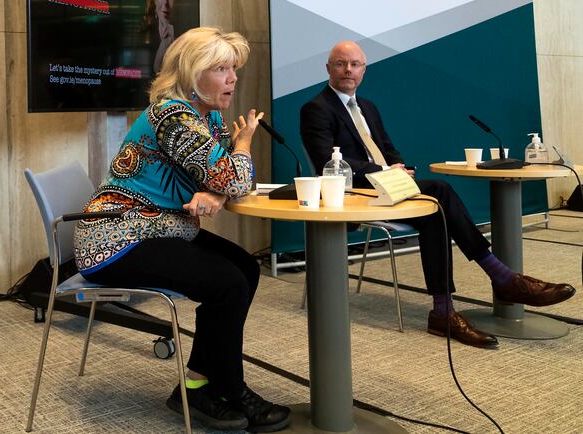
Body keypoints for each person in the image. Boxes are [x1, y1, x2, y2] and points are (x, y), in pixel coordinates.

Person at [75, 27, 291, 432]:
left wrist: (220, 192)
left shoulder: (206, 115)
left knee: (244, 268)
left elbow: (222, 181)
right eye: (222, 69)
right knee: (227, 283)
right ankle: (229, 388)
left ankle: (196, 384)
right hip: (118, 240)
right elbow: (232, 175)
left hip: (160, 230)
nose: (233, 78)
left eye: (234, 68)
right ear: (193, 74)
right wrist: (245, 145)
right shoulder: (173, 116)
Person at [300, 40, 575, 348]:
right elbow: (328, 158)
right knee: (439, 193)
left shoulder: (369, 107)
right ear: (328, 68)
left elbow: (388, 148)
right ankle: (501, 278)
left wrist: (398, 166)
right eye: (340, 63)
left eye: (355, 64)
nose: (348, 70)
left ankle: (444, 311)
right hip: (354, 193)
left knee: (435, 211)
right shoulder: (316, 109)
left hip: (389, 185)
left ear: (365, 69)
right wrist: (385, 172)